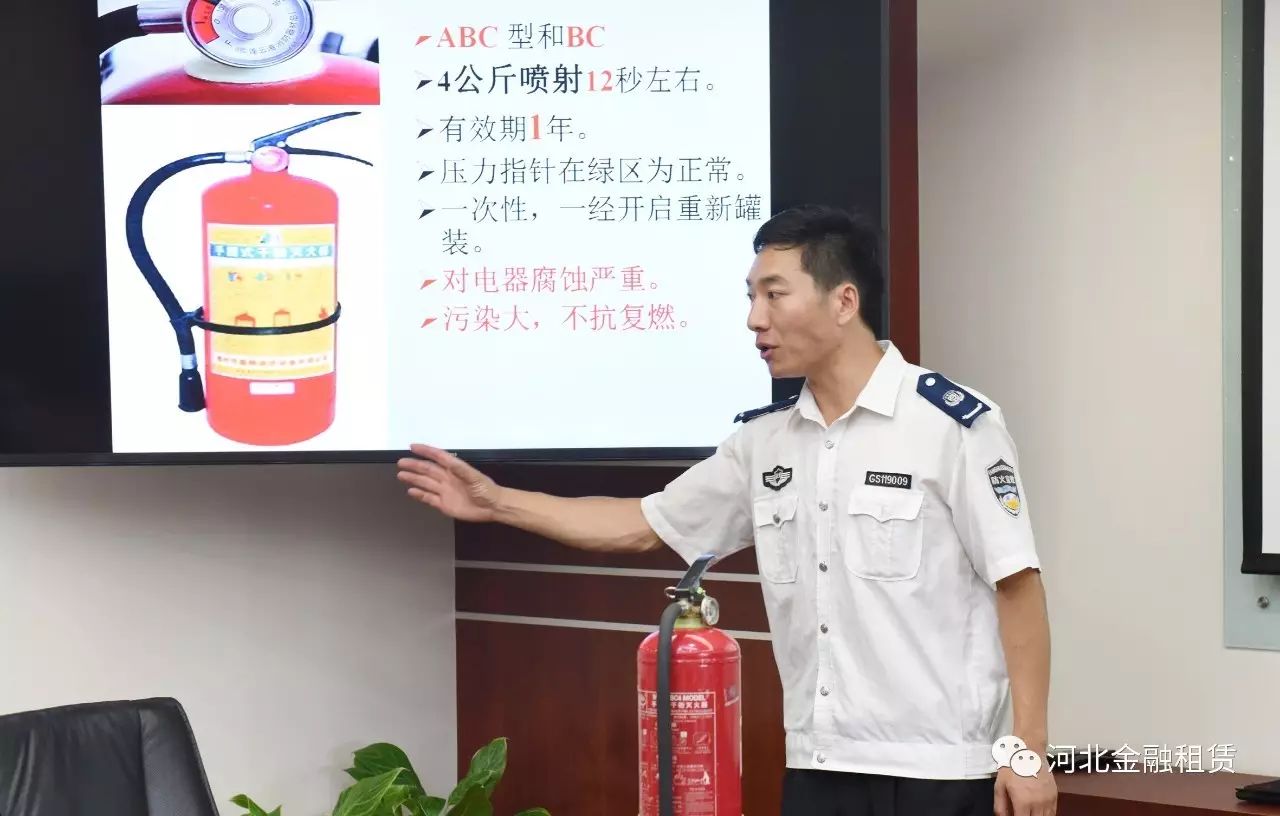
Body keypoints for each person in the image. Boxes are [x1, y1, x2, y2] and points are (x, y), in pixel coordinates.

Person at [396, 205, 1055, 816]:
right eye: (750, 297)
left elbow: (1017, 585)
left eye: (774, 294)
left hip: (941, 773)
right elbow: (642, 525)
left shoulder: (950, 425)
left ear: (844, 301)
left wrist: (1027, 753)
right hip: (818, 770)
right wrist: (497, 501)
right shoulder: (763, 442)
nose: (754, 320)